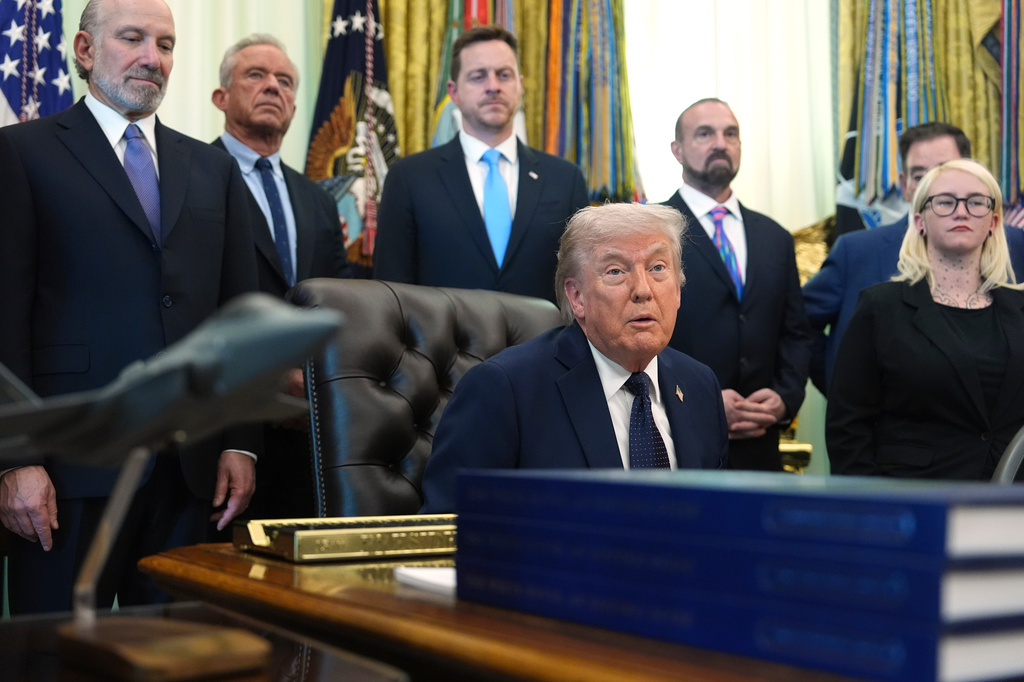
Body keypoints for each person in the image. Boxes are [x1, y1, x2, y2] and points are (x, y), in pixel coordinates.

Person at [0, 0, 259, 614]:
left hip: (190, 473)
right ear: (86, 52)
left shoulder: (214, 169)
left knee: (180, 656)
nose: (152, 57)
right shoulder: (21, 154)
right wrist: (15, 461)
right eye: (134, 38)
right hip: (68, 471)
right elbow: (4, 317)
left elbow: (242, 316)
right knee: (56, 660)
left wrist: (241, 443)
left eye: (166, 45)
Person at [420, 203, 729, 514]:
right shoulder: (504, 389)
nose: (643, 290)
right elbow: (447, 534)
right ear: (577, 297)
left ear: (677, 290)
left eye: (658, 267)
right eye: (616, 271)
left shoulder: (699, 385)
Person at [211, 34, 350, 519]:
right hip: (224, 426)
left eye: (285, 81)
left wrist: (314, 381)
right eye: (256, 75)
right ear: (220, 97)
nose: (273, 87)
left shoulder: (318, 199)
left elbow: (340, 303)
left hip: (310, 427)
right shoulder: (192, 177)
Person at [827, 159, 1024, 480]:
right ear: (919, 220)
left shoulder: (1020, 307)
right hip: (916, 499)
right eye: (945, 202)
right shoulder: (880, 308)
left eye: (976, 202)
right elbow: (848, 426)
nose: (961, 211)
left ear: (993, 221)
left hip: (1010, 503)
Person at [801, 123, 1024, 395]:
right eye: (921, 176)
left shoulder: (1015, 244)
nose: (935, 184)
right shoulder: (856, 251)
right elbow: (799, 324)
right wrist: (838, 381)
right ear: (905, 186)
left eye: (946, 170)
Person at [373, 25, 589, 304]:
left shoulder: (565, 178)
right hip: (440, 347)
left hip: (544, 345)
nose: (493, 86)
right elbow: (391, 291)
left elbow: (583, 285)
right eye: (478, 76)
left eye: (504, 75)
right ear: (454, 92)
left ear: (520, 85)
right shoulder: (409, 178)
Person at [661, 98, 810, 471]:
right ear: (677, 150)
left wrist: (784, 398)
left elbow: (795, 332)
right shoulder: (650, 231)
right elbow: (635, 332)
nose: (720, 143)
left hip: (762, 444)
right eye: (704, 134)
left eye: (731, 134)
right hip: (678, 435)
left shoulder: (775, 237)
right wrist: (700, 397)